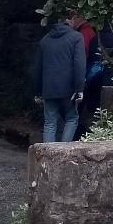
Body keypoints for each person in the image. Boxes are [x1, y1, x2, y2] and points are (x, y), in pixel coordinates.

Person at [33, 14, 86, 143]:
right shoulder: (77, 37)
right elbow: (79, 64)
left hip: (48, 88)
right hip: (69, 88)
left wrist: (37, 91)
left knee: (50, 122)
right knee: (71, 118)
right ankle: (63, 153)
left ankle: (47, 157)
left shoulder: (45, 40)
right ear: (70, 20)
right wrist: (79, 88)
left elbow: (37, 68)